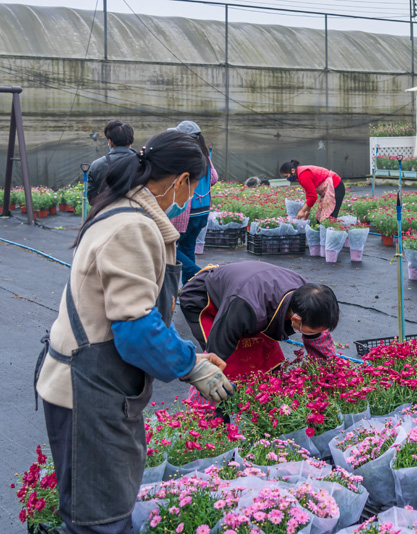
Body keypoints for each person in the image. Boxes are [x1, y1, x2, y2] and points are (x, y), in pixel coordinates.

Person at [34, 130, 235, 534]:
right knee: (100, 520)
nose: (191, 196)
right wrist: (191, 368)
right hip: (88, 392)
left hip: (98, 384)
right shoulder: (133, 227)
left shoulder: (125, 210)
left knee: (99, 510)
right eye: (194, 186)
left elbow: (130, 315)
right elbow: (136, 328)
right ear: (181, 181)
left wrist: (191, 357)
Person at [179, 261, 339, 380]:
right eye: (310, 331)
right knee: (229, 365)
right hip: (205, 298)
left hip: (248, 294)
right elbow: (215, 355)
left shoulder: (310, 297)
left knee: (269, 361)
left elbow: (318, 338)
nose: (313, 334)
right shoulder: (246, 308)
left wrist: (330, 373)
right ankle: (216, 420)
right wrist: (206, 381)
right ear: (296, 319)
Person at [168, 120, 218, 284]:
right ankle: (191, 288)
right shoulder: (205, 154)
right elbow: (214, 178)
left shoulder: (185, 155)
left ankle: (201, 275)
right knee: (187, 247)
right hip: (202, 212)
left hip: (187, 212)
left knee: (167, 246)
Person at [86, 120, 136, 203]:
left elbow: (92, 199)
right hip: (137, 212)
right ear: (133, 139)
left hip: (107, 212)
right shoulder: (144, 162)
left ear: (110, 142)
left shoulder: (97, 165)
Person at [280, 160, 345, 221]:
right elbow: (309, 195)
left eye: (286, 176)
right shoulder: (300, 174)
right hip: (331, 187)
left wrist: (302, 211)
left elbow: (313, 196)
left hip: (336, 186)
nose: (287, 179)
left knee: (329, 218)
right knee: (320, 218)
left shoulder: (303, 175)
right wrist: (307, 212)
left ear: (293, 170)